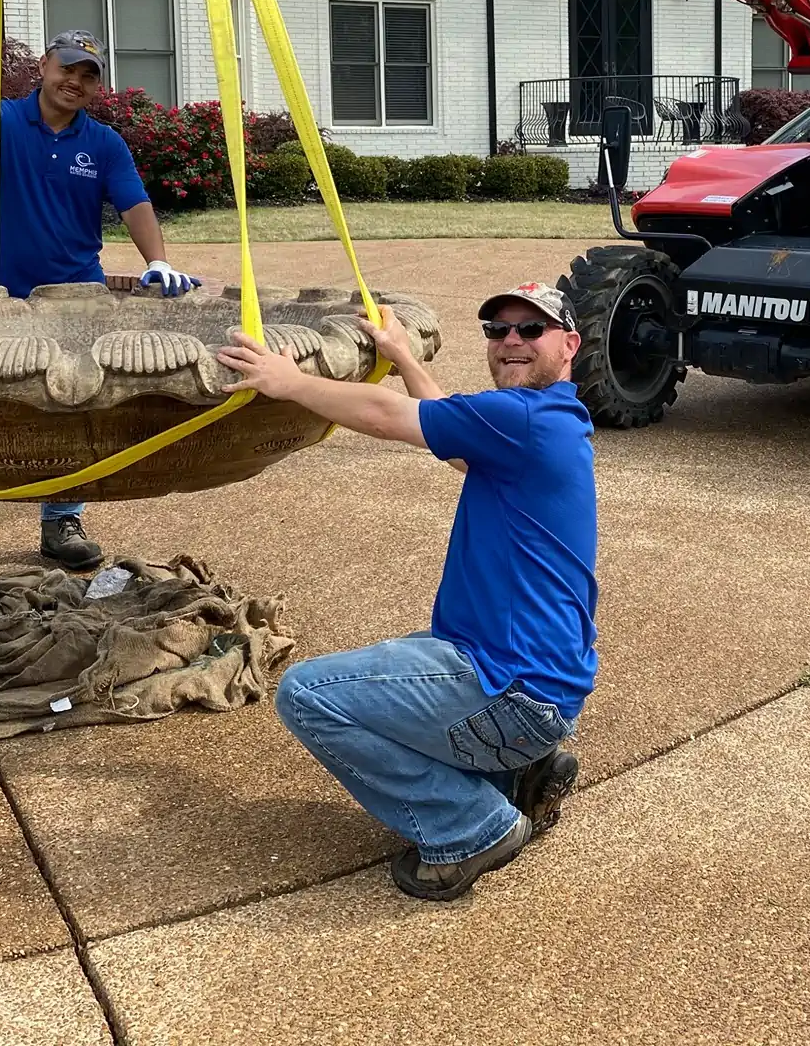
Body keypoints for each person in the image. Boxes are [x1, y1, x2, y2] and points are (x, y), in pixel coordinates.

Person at [216, 280, 597, 902]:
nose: (511, 341)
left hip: (512, 691)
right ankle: (518, 765)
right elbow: (461, 457)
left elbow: (387, 415)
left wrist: (288, 382)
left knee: (309, 694)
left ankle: (470, 827)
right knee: (402, 663)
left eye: (531, 330)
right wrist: (408, 359)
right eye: (498, 331)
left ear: (569, 344)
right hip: (544, 688)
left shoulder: (523, 419)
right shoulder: (551, 422)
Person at [0, 28, 202, 602]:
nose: (75, 81)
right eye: (67, 68)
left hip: (77, 296)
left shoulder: (103, 143)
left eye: (88, 75)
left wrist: (158, 262)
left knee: (73, 408)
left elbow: (134, 204)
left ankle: (63, 522)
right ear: (44, 67)